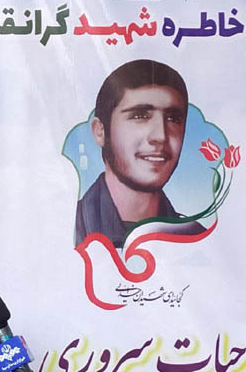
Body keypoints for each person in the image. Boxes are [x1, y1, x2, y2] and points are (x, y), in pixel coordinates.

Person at [75, 59, 205, 248]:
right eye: (140, 116)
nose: (160, 135)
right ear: (100, 132)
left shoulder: (197, 239)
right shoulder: (67, 229)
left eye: (173, 118)